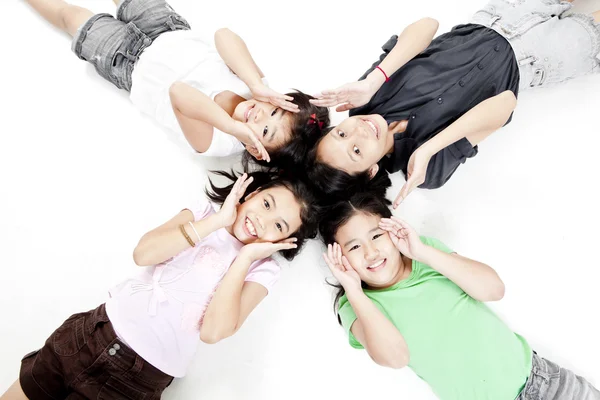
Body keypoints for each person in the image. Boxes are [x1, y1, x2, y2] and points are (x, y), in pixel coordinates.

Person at [1, 171, 321, 399]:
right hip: (90, 333)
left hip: (134, 379)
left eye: (278, 225)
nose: (263, 221)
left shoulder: (261, 269)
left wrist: (245, 257)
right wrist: (218, 222)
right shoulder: (202, 212)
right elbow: (144, 254)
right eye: (266, 204)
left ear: (283, 241)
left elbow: (213, 332)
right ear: (251, 193)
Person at [310, 0, 600, 207]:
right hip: (537, 60)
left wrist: (374, 79)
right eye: (357, 150)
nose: (357, 131)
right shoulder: (426, 170)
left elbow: (428, 26)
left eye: (342, 133)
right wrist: (429, 148)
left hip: (498, 17)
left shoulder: (364, 97)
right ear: (371, 171)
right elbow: (505, 104)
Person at [320, 191, 600, 400]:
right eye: (354, 247)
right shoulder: (355, 305)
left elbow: (494, 289)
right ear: (339, 257)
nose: (371, 253)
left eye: (377, 236)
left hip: (545, 382)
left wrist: (423, 252)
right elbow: (396, 358)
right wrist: (354, 290)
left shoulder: (424, 253)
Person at [24, 0, 329, 164]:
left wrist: (234, 127)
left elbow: (179, 92)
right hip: (166, 28)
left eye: (265, 130)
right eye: (274, 111)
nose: (262, 114)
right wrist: (258, 84)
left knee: (71, 15)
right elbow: (223, 35)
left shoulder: (220, 142)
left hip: (126, 61)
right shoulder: (256, 88)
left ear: (255, 149)